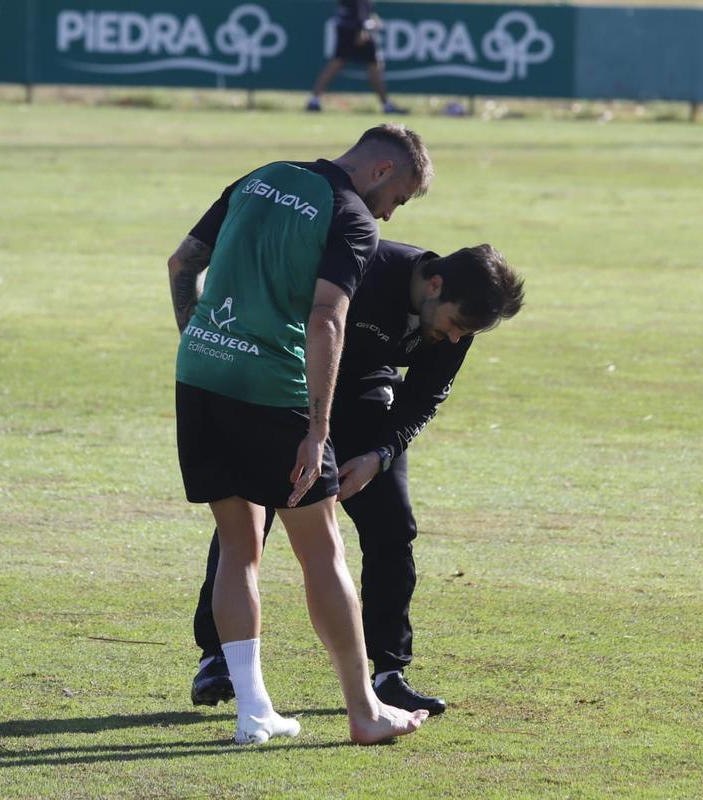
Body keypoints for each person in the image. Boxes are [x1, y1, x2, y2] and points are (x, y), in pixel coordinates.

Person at [169, 125, 432, 745]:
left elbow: (183, 263)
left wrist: (198, 339)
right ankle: (364, 712)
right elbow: (328, 316)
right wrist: (318, 429)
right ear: (381, 168)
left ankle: (253, 709)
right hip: (273, 392)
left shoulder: (259, 177)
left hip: (200, 375)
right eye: (401, 195)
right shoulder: (351, 218)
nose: (393, 211)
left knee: (238, 548)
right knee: (324, 552)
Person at [190, 240, 526, 718]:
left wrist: (378, 455)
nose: (455, 339)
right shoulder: (365, 267)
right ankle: (217, 658)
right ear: (435, 284)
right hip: (289, 390)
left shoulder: (459, 321)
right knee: (248, 522)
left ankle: (389, 672)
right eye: (455, 325)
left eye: (465, 333)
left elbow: (424, 397)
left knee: (393, 527)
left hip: (367, 403)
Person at [306, 0, 406, 115]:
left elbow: (362, 9)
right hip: (355, 29)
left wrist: (369, 19)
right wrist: (363, 28)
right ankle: (386, 105)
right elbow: (359, 7)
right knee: (372, 65)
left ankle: (314, 100)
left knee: (338, 64)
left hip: (348, 27)